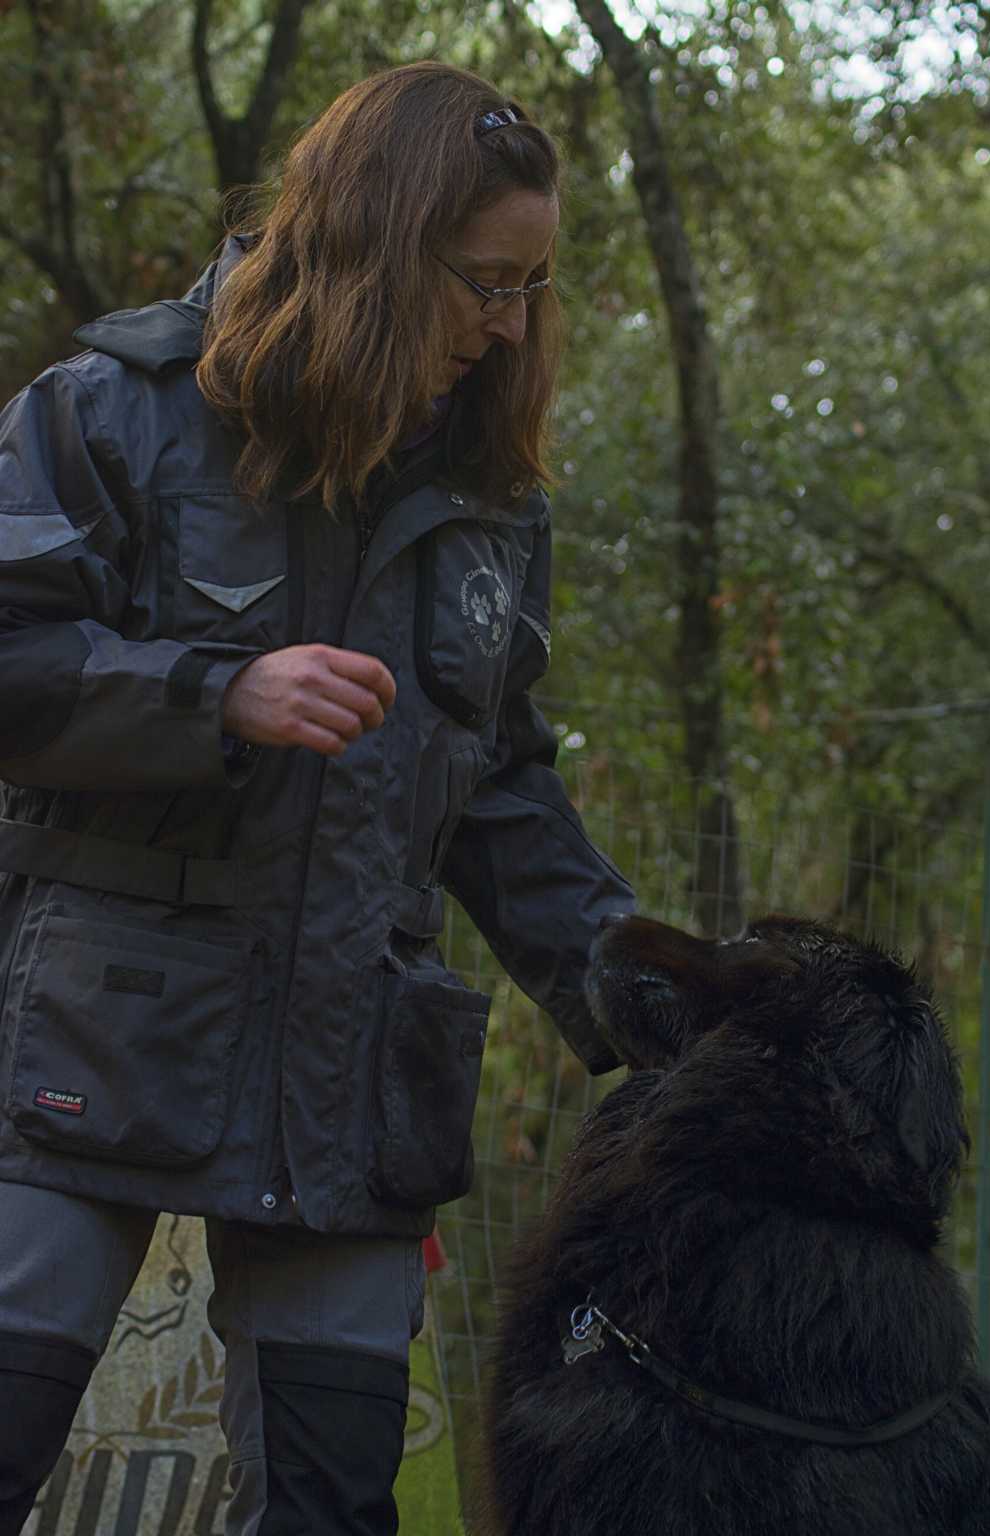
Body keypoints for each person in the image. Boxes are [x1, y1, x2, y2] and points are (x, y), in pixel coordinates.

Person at [0, 60, 633, 1536]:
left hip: (355, 1081)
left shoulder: (493, 510)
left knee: (342, 1505)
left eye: (534, 287)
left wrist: (641, 995)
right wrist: (211, 695)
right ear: (376, 245)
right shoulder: (112, 411)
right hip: (96, 1042)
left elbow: (504, 790)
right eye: (485, 281)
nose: (509, 325)